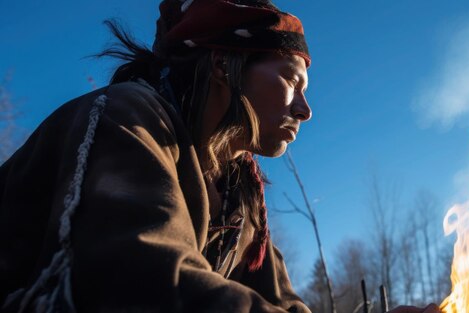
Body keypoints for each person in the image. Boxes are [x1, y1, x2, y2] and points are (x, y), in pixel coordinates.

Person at [0, 0, 441, 312]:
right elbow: (142, 278)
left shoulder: (238, 197)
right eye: (292, 80)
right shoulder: (128, 118)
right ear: (221, 66)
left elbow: (281, 305)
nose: (306, 110)